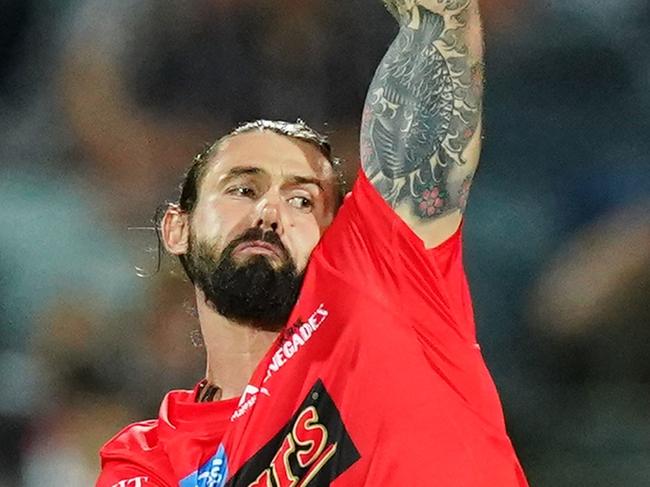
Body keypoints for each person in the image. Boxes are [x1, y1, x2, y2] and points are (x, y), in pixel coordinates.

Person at [98, 1, 529, 485]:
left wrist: (436, 14)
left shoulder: (381, 273)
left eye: (302, 200)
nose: (270, 212)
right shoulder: (147, 459)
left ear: (334, 233)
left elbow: (437, 32)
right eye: (243, 189)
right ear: (177, 228)